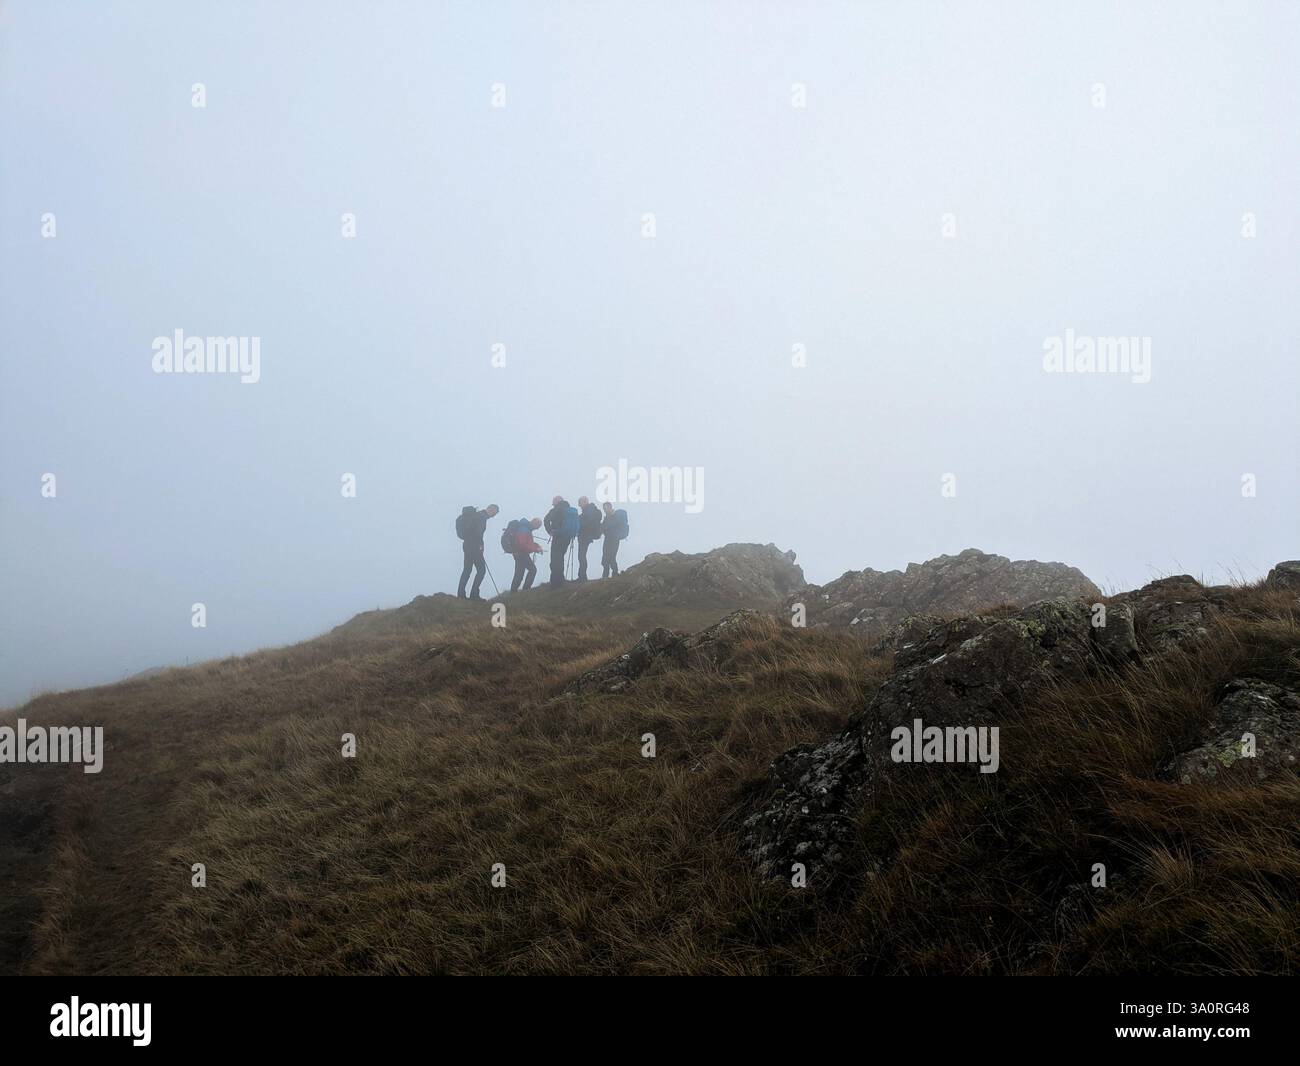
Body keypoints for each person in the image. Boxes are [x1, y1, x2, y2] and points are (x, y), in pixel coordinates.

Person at [456, 503, 498, 600]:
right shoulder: (481, 517)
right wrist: (480, 545)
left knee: (467, 570)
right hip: (474, 546)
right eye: (494, 513)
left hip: (467, 545)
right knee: (481, 570)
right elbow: (478, 533)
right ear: (491, 509)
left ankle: (461, 594)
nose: (494, 516)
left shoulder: (476, 516)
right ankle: (474, 595)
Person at [542, 495, 578, 587]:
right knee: (560, 557)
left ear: (557, 501)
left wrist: (550, 531)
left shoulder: (556, 509)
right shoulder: (569, 509)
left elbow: (546, 520)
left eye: (553, 502)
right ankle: (561, 579)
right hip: (568, 537)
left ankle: (555, 582)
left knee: (555, 559)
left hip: (558, 535)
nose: (552, 504)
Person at [509, 518, 544, 592]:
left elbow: (527, 543)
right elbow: (523, 544)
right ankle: (526, 589)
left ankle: (513, 591)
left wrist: (537, 546)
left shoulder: (525, 528)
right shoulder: (524, 529)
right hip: (521, 553)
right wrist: (535, 549)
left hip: (518, 553)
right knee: (532, 570)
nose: (537, 529)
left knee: (519, 572)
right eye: (537, 526)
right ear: (534, 523)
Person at [575, 496, 602, 581]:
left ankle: (582, 577)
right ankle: (582, 576)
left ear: (585, 502)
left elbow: (586, 523)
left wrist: (579, 525)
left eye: (580, 503)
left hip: (585, 536)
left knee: (581, 555)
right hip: (586, 535)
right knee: (581, 555)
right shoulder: (589, 511)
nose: (579, 505)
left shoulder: (589, 511)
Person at [600, 501, 627, 578]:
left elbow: (611, 526)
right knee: (605, 556)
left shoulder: (616, 516)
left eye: (605, 508)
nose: (604, 510)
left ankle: (614, 573)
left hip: (614, 539)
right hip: (608, 539)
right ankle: (606, 575)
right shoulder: (607, 518)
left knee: (611, 556)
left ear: (610, 507)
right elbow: (603, 527)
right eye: (604, 509)